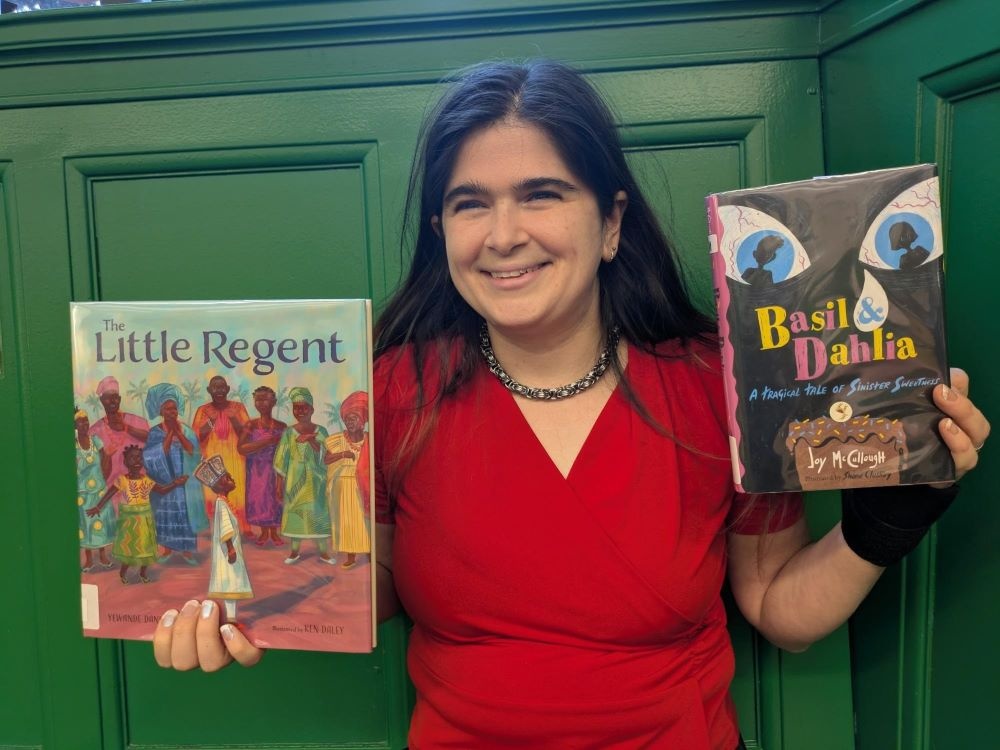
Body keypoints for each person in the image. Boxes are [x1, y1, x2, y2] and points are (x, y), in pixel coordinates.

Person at [151, 60, 990, 748]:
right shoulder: (389, 394)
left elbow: (781, 612)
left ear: (612, 219)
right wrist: (244, 605)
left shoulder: (718, 386)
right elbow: (368, 592)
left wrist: (890, 518)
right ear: (442, 231)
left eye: (541, 194)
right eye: (468, 203)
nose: (502, 233)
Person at [91, 444, 186, 584]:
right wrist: (98, 507)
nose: (137, 461)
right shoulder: (122, 480)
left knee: (146, 548)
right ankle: (123, 572)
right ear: (125, 462)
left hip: (144, 520)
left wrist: (176, 483)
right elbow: (108, 495)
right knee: (129, 550)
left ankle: (143, 573)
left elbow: (162, 490)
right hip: (128, 522)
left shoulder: (146, 480)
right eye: (133, 458)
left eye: (140, 458)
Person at [143, 383, 207, 563]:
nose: (172, 412)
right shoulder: (155, 432)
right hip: (165, 481)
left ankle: (187, 551)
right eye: (168, 409)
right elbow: (153, 456)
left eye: (174, 408)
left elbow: (194, 453)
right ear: (161, 411)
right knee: (166, 513)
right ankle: (167, 550)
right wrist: (169, 434)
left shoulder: (186, 430)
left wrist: (178, 433)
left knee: (185, 514)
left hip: (185, 482)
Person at [272, 386, 334, 565]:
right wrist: (278, 484)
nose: (300, 411)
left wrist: (311, 440)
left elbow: (327, 456)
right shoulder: (289, 433)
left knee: (318, 513)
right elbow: (281, 460)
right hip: (295, 482)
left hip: (317, 482)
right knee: (295, 514)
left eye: (304, 407)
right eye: (296, 407)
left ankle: (323, 552)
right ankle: (294, 552)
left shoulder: (321, 431)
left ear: (312, 409)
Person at [194, 455, 254, 623]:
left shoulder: (224, 502)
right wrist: (230, 548)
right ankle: (231, 619)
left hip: (230, 547)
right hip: (228, 549)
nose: (232, 479)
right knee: (231, 581)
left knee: (232, 581)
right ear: (220, 484)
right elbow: (225, 527)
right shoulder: (221, 504)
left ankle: (231, 617)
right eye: (228, 478)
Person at [192, 376, 250, 530]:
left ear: (228, 389)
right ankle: (217, 530)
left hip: (236, 458)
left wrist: (234, 419)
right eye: (215, 387)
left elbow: (247, 434)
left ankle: (243, 527)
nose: (219, 391)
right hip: (212, 458)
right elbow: (195, 437)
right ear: (209, 390)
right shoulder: (203, 410)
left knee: (238, 492)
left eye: (222, 387)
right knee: (213, 494)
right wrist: (210, 421)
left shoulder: (238, 408)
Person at [323, 390, 372, 570]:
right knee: (348, 522)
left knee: (365, 521)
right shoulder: (337, 440)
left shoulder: (370, 440)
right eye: (347, 419)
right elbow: (326, 460)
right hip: (344, 488)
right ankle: (351, 556)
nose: (350, 422)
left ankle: (370, 553)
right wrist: (343, 454)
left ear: (364, 420)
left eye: (355, 418)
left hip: (365, 487)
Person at [88, 375, 149, 511]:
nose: (112, 400)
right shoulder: (94, 431)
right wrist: (107, 456)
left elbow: (151, 440)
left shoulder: (138, 422)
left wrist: (127, 428)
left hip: (139, 493)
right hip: (111, 497)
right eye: (108, 397)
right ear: (101, 401)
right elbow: (97, 473)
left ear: (120, 399)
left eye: (115, 396)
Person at [238, 386, 287, 546]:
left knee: (275, 498)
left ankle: (274, 532)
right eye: (258, 399)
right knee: (259, 499)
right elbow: (241, 448)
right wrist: (266, 442)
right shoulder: (251, 425)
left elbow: (286, 451)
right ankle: (264, 532)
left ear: (273, 402)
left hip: (276, 469)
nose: (261, 403)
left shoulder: (281, 426)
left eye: (265, 399)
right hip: (256, 469)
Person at [75, 407, 115, 571]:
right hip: (82, 493)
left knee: (101, 523)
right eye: (80, 422)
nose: (84, 424)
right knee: (86, 525)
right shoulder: (73, 445)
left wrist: (104, 478)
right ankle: (89, 559)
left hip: (99, 490)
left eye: (86, 421)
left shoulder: (96, 440)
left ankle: (103, 555)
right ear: (75, 426)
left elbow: (106, 459)